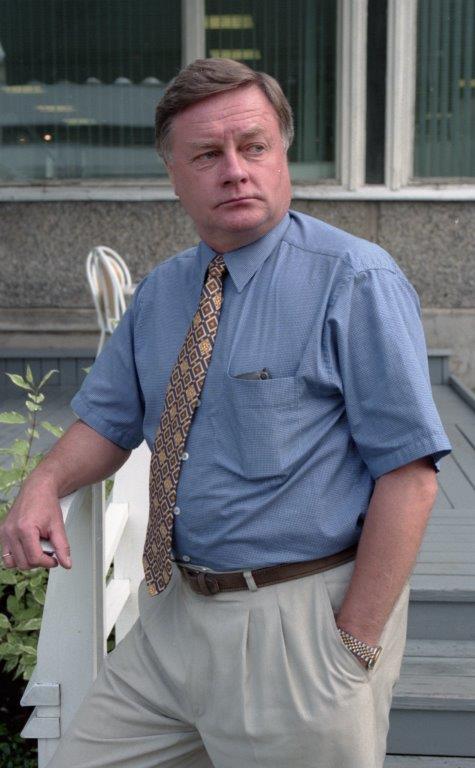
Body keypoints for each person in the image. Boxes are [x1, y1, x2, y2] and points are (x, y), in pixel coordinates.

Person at [1, 58, 451, 768]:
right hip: (172, 619)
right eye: (208, 155)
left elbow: (411, 476)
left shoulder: (355, 279)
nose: (236, 170)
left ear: (281, 153)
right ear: (173, 174)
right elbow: (107, 421)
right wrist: (44, 483)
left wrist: (354, 643)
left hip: (297, 626)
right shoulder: (162, 292)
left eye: (253, 146)